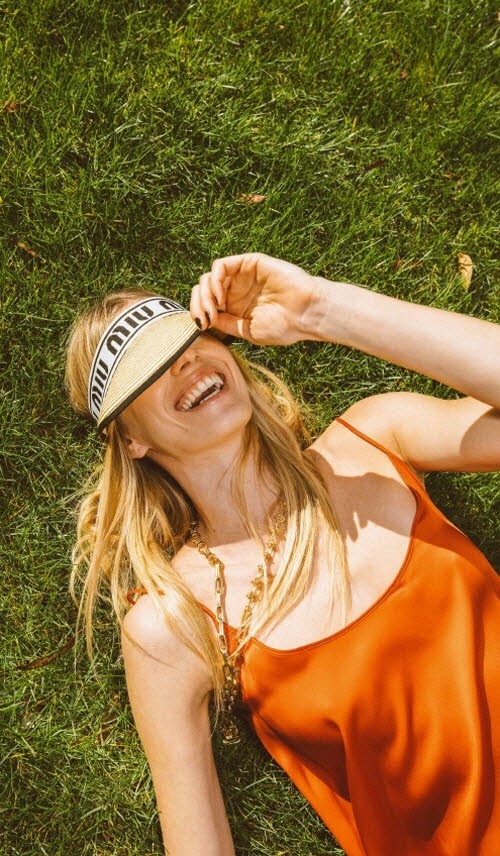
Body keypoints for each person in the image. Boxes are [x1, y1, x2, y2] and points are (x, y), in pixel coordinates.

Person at [64, 252, 500, 856]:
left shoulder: (376, 438)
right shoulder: (174, 622)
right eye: (149, 369)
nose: (184, 362)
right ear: (131, 439)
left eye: (186, 339)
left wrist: (320, 309)